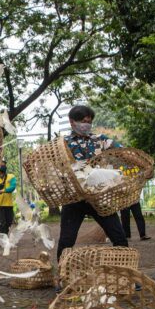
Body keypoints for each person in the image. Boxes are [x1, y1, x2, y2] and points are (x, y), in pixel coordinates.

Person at [56, 105, 128, 260]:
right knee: (66, 241)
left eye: (89, 121)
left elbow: (123, 152)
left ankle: (127, 273)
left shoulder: (100, 140)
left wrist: (140, 164)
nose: (86, 124)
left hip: (100, 198)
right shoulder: (61, 144)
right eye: (82, 121)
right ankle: (62, 278)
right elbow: (52, 165)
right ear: (72, 122)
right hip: (74, 198)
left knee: (119, 237)